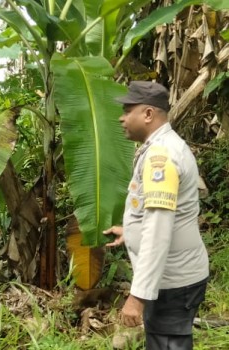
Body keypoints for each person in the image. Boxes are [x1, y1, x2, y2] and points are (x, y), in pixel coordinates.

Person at [104, 81, 209, 350]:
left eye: (128, 110)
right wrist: (130, 231)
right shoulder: (160, 146)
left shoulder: (161, 156)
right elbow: (161, 215)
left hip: (173, 282)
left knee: (166, 344)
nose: (121, 117)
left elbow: (159, 229)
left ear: (148, 114)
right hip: (173, 276)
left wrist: (137, 297)